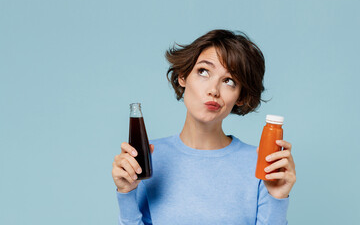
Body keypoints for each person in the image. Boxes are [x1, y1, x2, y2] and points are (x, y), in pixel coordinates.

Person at [112, 29, 296, 225]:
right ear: (183, 76)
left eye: (229, 81)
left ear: (240, 97)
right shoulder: (150, 157)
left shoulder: (260, 164)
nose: (213, 90)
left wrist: (278, 198)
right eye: (203, 71)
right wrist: (126, 193)